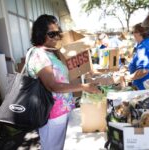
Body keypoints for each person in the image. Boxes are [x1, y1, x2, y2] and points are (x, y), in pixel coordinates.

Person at [27, 14, 100, 150]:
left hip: (64, 111)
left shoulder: (50, 53)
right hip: (52, 114)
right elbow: (52, 86)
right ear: (40, 33)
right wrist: (84, 87)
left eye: (58, 33)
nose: (56, 37)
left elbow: (63, 78)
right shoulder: (38, 55)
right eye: (52, 34)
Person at [122, 23, 149, 90]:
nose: (133, 35)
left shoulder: (143, 46)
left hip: (147, 87)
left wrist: (129, 77)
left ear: (138, 33)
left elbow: (144, 70)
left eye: (133, 32)